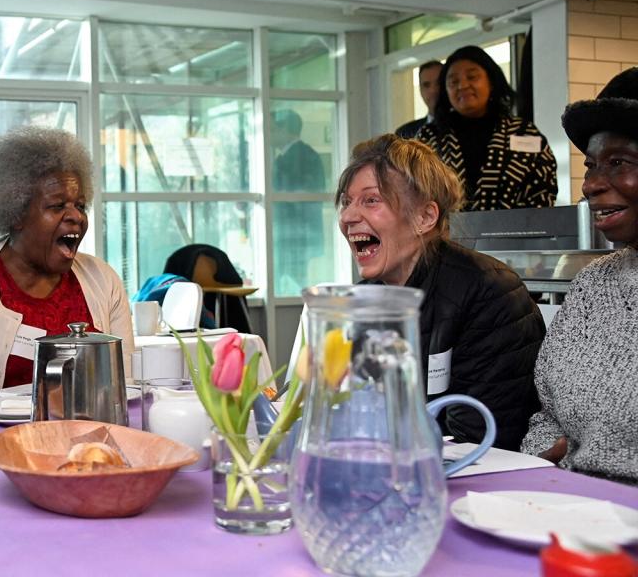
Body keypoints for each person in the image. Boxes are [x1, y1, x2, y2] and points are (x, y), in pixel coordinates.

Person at [336, 134, 544, 450]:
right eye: (347, 201)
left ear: (425, 217)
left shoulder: (490, 292)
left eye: (371, 200)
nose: (348, 216)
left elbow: (480, 438)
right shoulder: (366, 298)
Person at [0, 127, 134, 393]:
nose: (76, 217)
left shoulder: (103, 279)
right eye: (57, 206)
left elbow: (125, 389)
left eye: (79, 206)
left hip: (89, 433)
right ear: (17, 214)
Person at [521, 67, 638, 484]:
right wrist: (541, 463)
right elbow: (548, 413)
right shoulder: (594, 283)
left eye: (618, 162)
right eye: (591, 166)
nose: (591, 185)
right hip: (572, 513)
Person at [417, 45, 557, 211]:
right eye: (453, 81)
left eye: (472, 77)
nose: (462, 85)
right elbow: (414, 192)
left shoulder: (524, 133)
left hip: (515, 233)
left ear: (491, 81)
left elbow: (543, 191)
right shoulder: (428, 137)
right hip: (446, 235)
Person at [271, 109, 325, 293]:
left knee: (294, 286)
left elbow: (302, 200)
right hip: (291, 237)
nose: (268, 135)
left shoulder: (302, 157)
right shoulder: (296, 156)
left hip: (297, 238)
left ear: (284, 128)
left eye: (271, 129)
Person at [396, 60, 442, 139]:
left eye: (439, 83)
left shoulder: (466, 126)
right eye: (426, 85)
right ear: (420, 90)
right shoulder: (404, 133)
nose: (433, 90)